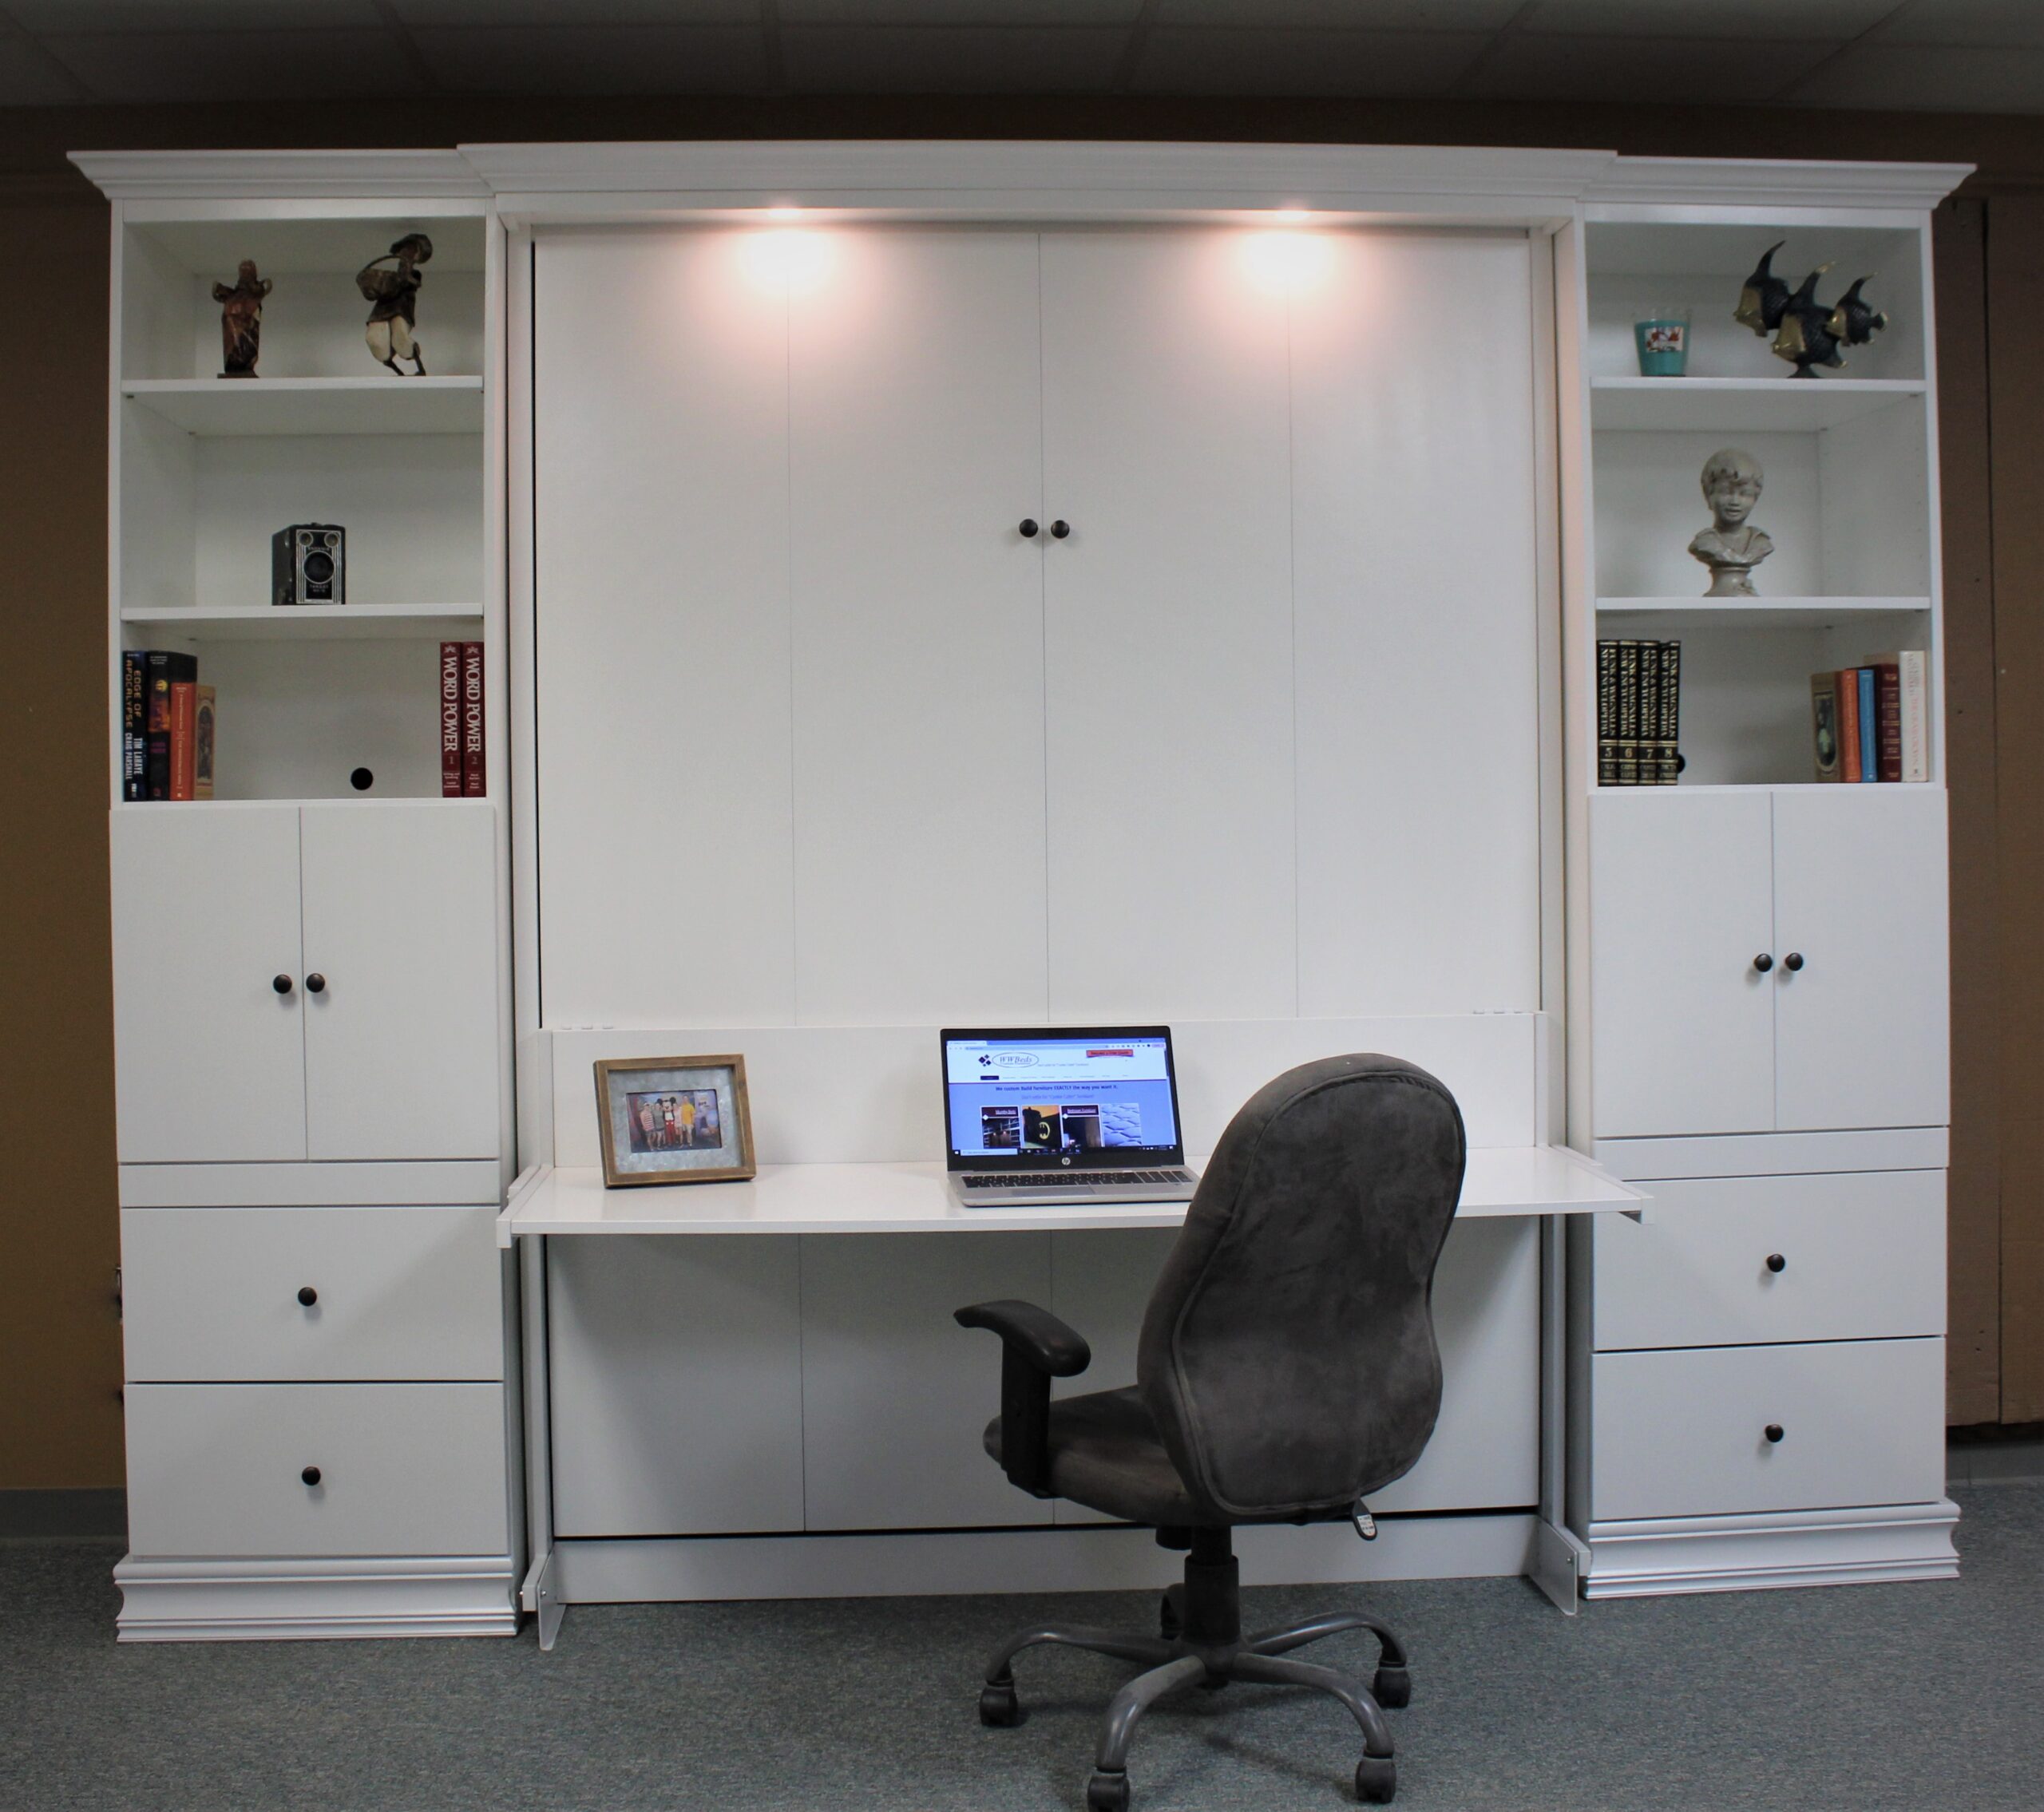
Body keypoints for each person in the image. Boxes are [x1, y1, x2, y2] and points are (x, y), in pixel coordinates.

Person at [1688, 447, 1774, 597]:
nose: (1735, 501)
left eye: (1745, 494)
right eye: (1725, 492)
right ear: (1709, 495)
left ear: (1755, 498)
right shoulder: (1704, 543)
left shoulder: (1761, 543)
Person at [357, 233, 432, 376]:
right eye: (407, 249)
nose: (408, 253)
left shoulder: (414, 275)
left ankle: (419, 368)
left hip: (401, 309)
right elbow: (392, 283)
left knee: (400, 338)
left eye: (413, 250)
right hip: (382, 310)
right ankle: (397, 372)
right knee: (375, 340)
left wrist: (404, 271)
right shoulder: (392, 277)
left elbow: (408, 281)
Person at [211, 260, 271, 378]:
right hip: (232, 342)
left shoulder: (256, 294)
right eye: (243, 271)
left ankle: (243, 363)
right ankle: (233, 363)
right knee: (234, 349)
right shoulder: (231, 296)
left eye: (248, 272)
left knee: (245, 348)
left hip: (247, 341)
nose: (245, 274)